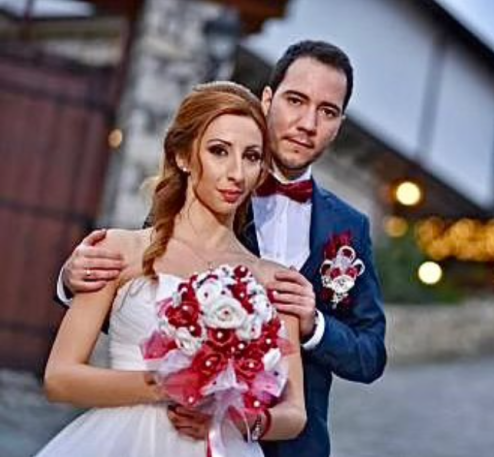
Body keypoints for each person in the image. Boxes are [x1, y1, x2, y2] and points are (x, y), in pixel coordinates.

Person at [58, 40, 387, 456]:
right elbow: (143, 303)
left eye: (327, 111)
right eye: (295, 100)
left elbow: (371, 355)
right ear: (267, 99)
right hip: (164, 431)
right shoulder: (203, 191)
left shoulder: (350, 228)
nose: (308, 123)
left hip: (292, 444)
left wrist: (313, 326)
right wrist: (73, 281)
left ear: (340, 123)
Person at [40, 82, 306, 456]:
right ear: (182, 156)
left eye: (251, 157)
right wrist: (167, 384)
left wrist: (236, 418)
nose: (237, 172)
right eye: (219, 151)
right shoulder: (117, 250)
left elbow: (295, 413)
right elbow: (59, 378)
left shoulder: (273, 279)